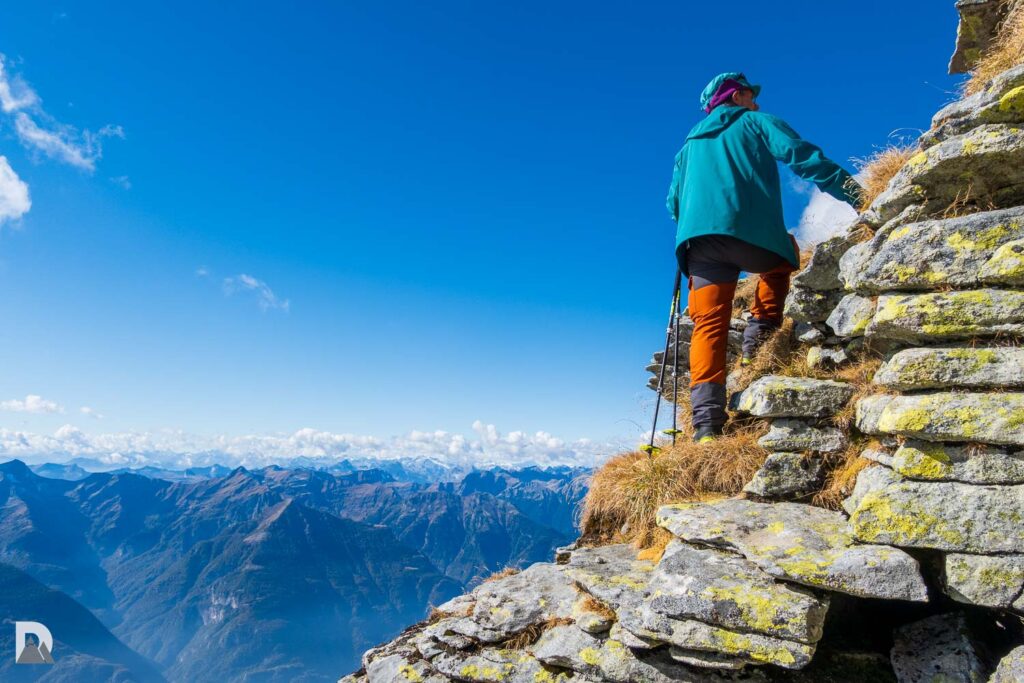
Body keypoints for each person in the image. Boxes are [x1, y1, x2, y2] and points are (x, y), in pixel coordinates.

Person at [665, 72, 861, 443]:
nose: (756, 101)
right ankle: (757, 340)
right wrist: (857, 194)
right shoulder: (756, 122)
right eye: (751, 95)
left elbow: (673, 203)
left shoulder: (687, 148)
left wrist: (693, 224)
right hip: (753, 237)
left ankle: (706, 426)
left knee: (708, 325)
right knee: (783, 258)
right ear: (737, 96)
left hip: (699, 244)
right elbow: (803, 157)